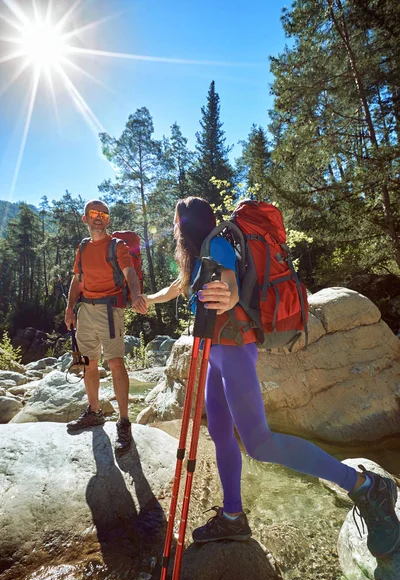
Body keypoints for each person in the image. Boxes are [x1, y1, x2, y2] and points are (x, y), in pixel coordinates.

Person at [139, 196, 400, 559]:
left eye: (174, 222)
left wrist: (226, 296)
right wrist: (146, 299)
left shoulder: (217, 244)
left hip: (233, 349)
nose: (172, 228)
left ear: (184, 224)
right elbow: (176, 287)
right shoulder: (198, 258)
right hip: (216, 355)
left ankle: (366, 486)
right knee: (219, 432)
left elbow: (229, 285)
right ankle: (233, 515)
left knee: (259, 442)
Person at [65, 199, 147, 453]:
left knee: (115, 363)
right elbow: (77, 280)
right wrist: (69, 308)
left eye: (103, 214)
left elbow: (130, 273)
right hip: (86, 310)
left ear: (108, 220)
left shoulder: (117, 246)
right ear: (85, 218)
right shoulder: (82, 247)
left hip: (111, 310)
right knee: (89, 362)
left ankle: (123, 421)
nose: (98, 217)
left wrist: (135, 295)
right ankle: (95, 411)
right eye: (93, 213)